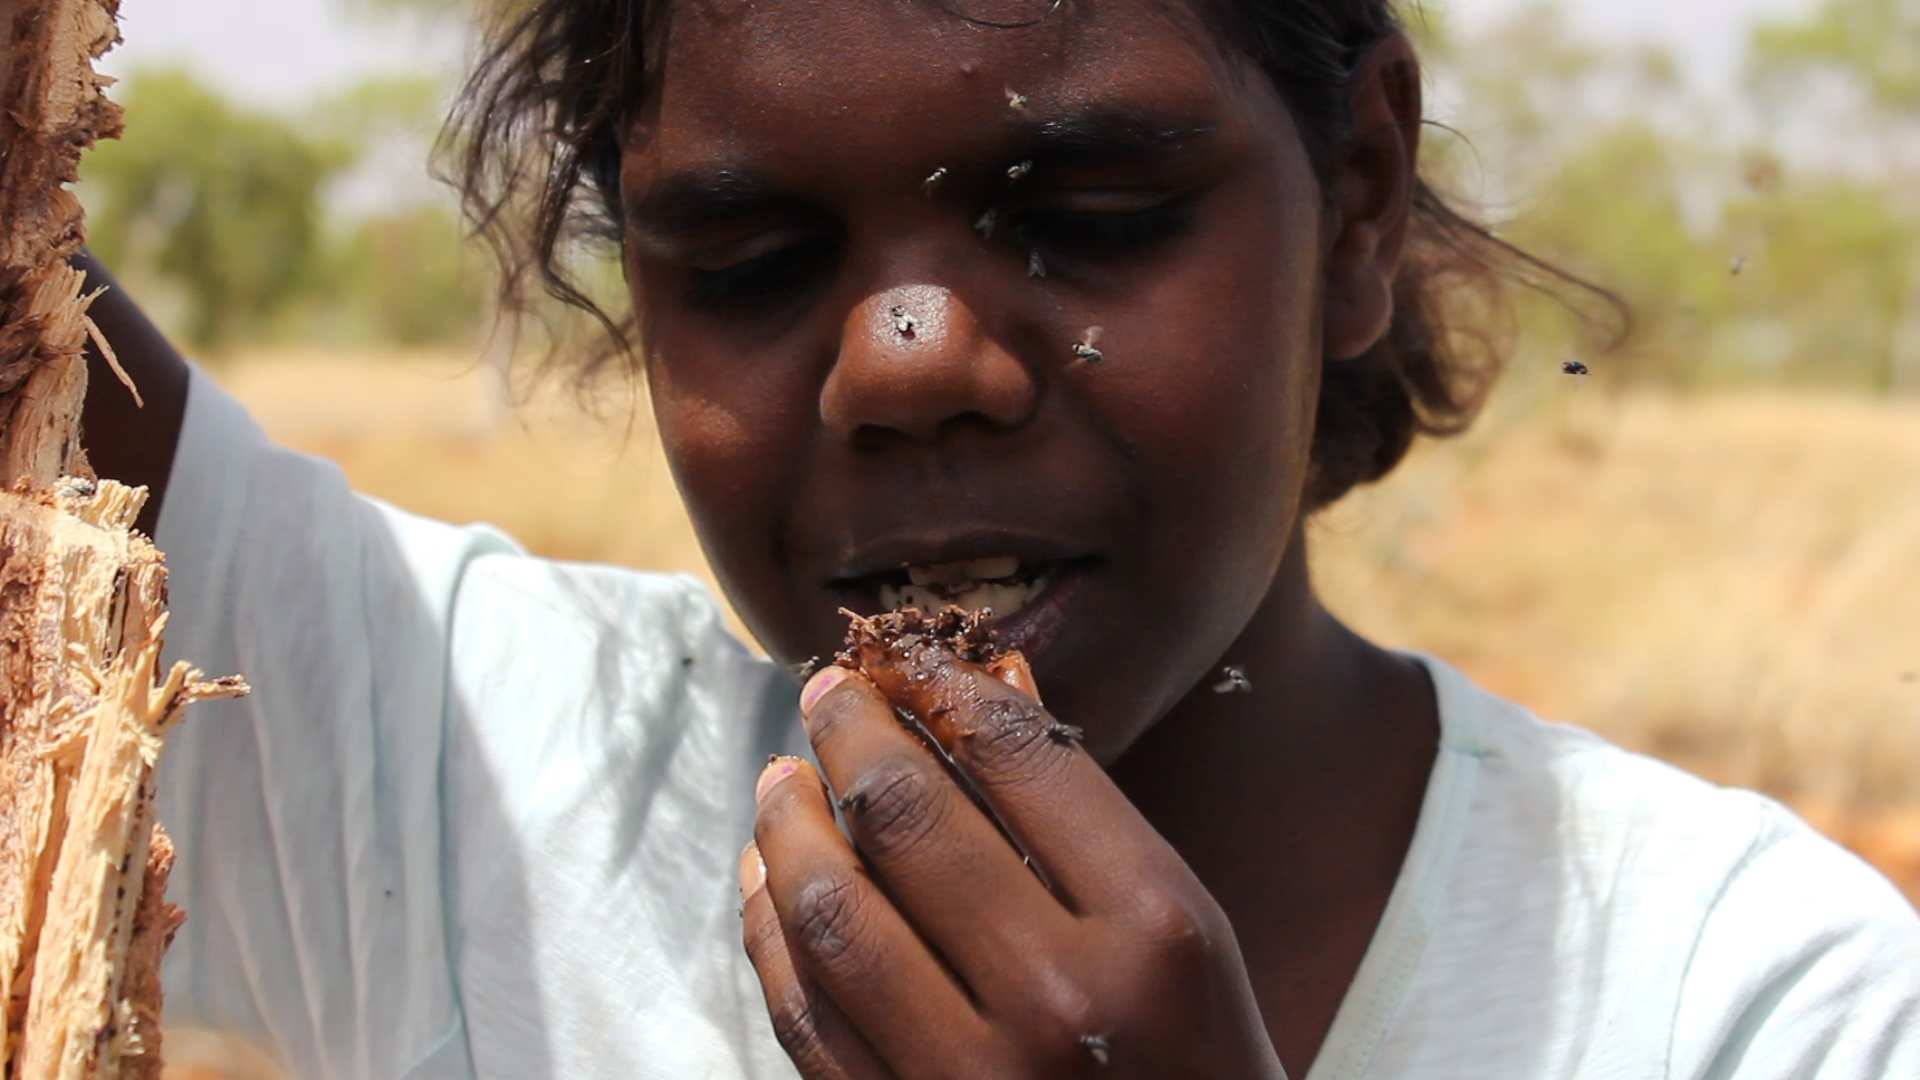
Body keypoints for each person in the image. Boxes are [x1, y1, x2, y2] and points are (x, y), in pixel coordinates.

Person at [79, 1, 1918, 1077]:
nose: (911, 364)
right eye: (749, 264)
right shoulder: (454, 773)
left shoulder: (1750, 1004)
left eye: (1090, 213)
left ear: (1355, 201)